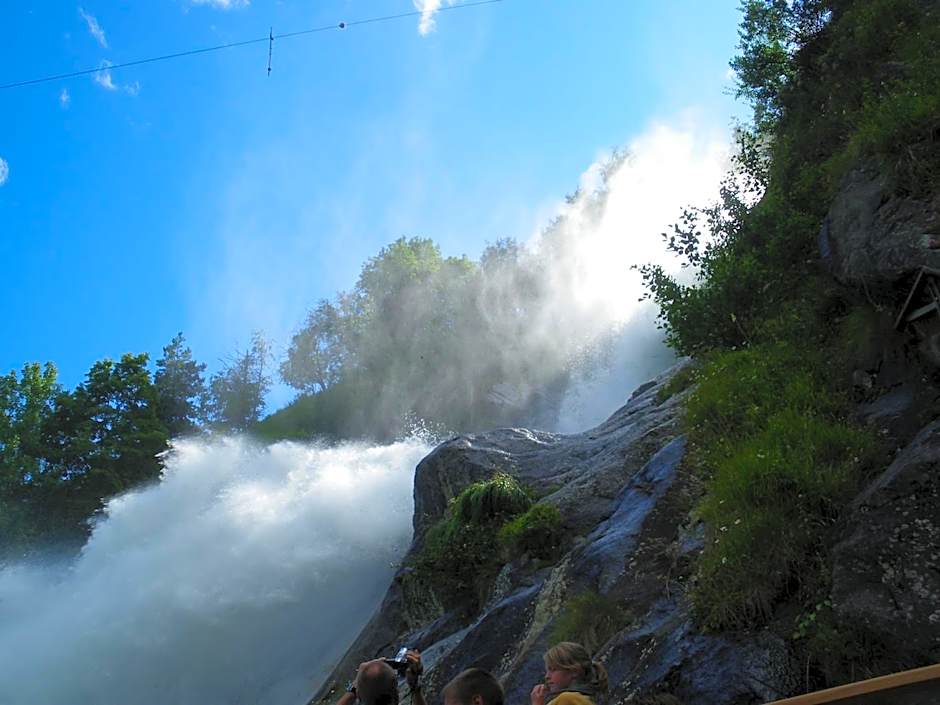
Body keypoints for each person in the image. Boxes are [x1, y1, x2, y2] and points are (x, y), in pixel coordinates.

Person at [529, 642, 608, 705]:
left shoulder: (567, 699)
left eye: (553, 670)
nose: (547, 676)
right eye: (547, 671)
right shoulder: (585, 697)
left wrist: (537, 703)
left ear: (574, 671)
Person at [336, 650, 424, 705]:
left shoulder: (358, 692)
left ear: (359, 696)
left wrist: (354, 688)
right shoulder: (396, 695)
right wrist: (415, 687)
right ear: (396, 692)